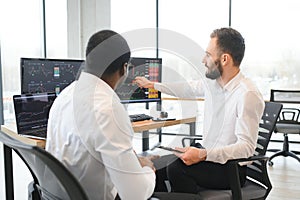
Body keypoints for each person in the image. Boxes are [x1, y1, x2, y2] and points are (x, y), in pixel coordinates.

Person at [135, 27, 265, 193]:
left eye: (208, 55)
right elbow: (187, 88)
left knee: (176, 169)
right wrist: (153, 85)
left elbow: (246, 148)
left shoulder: (247, 94)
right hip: (208, 155)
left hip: (230, 169)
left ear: (224, 59)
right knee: (156, 166)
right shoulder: (214, 84)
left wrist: (203, 154)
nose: (204, 60)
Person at [46, 30, 156, 200]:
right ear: (124, 69)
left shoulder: (64, 96)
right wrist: (148, 169)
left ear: (88, 59)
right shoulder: (108, 109)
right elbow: (136, 195)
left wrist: (132, 163)